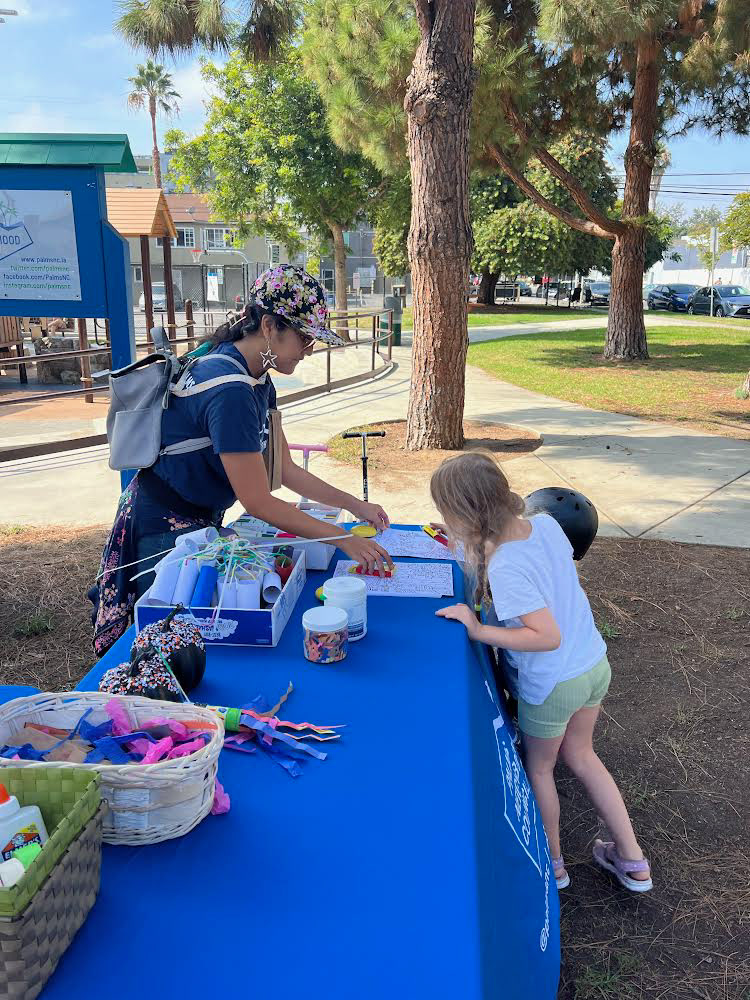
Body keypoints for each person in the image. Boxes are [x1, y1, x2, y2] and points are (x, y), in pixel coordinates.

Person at [90, 265, 393, 656]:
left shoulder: (257, 378)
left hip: (196, 518)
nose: (309, 349)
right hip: (161, 524)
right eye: (304, 337)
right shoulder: (230, 390)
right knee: (168, 650)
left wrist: (355, 506)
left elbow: (283, 469)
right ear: (268, 326)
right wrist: (342, 538)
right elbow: (258, 502)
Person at [430, 452, 652, 894]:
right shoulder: (546, 524)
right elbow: (541, 571)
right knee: (584, 757)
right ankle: (633, 860)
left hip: (552, 681)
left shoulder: (506, 566)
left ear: (467, 514)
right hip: (591, 663)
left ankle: (553, 863)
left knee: (541, 768)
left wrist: (479, 630)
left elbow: (544, 635)